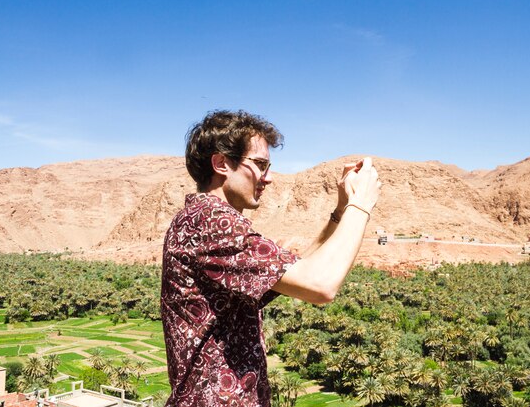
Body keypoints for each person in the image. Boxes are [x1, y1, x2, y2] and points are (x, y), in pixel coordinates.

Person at [161, 110, 380, 407]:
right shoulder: (211, 222)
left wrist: (341, 211)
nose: (269, 178)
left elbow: (300, 269)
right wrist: (361, 204)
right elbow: (321, 285)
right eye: (260, 165)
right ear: (221, 163)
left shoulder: (204, 221)